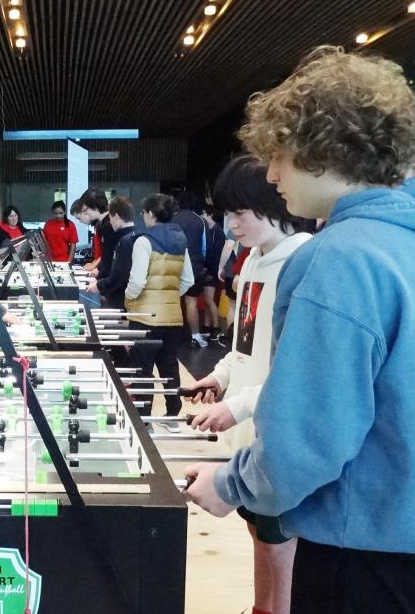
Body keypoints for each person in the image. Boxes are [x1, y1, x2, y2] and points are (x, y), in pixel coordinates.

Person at [184, 46, 415, 614]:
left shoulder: (341, 257)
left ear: (324, 150)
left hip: (372, 552)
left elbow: (311, 434)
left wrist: (232, 486)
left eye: (279, 155)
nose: (271, 175)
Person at [186, 155, 312, 614]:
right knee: (257, 528)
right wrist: (218, 379)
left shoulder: (301, 260)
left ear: (273, 203)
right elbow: (244, 343)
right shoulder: (254, 262)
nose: (231, 223)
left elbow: (300, 373)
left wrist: (237, 406)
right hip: (249, 431)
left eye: (240, 212)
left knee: (279, 540)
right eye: (227, 213)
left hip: (278, 433)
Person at [124, 194, 193, 420]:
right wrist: (170, 297)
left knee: (142, 368)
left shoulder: (143, 241)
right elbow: (188, 280)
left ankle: (144, 418)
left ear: (151, 213)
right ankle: (173, 415)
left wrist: (128, 300)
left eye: (144, 212)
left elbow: (136, 282)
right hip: (172, 316)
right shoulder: (180, 241)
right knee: (169, 365)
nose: (143, 216)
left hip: (145, 316)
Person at [171, 189, 209, 347]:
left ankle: (172, 337)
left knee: (173, 301)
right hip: (194, 265)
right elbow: (204, 247)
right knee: (191, 302)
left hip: (174, 264)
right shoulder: (200, 221)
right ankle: (195, 336)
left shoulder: (172, 219)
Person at [86, 196, 137, 310]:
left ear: (117, 216)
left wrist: (100, 285)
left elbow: (119, 274)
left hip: (121, 298)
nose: (110, 221)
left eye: (110, 217)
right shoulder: (138, 234)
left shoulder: (125, 241)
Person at [199, 205, 228, 340]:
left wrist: (211, 271)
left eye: (203, 213)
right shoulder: (209, 230)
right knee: (207, 299)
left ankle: (216, 327)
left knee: (209, 300)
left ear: (209, 215)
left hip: (212, 271)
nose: (201, 216)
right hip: (208, 270)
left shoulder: (218, 232)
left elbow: (216, 255)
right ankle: (206, 325)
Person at [73, 188, 115, 277]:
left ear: (94, 207)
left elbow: (109, 256)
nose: (85, 213)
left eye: (85, 210)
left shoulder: (109, 224)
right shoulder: (103, 223)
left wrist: (97, 270)